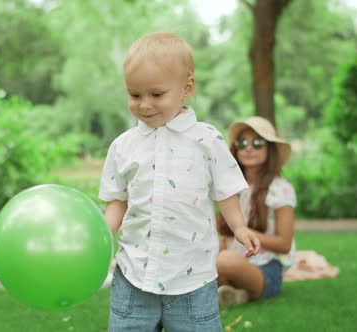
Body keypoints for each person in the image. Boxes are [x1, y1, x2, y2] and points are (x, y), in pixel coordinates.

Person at [99, 32, 260, 331]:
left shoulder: (206, 140)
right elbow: (117, 200)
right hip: (135, 273)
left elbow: (225, 191)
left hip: (192, 277)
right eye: (135, 95)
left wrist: (238, 226)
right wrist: (101, 235)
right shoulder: (123, 146)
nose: (144, 104)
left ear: (187, 87)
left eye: (156, 94)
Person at [215, 116, 297, 308]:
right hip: (228, 261)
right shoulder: (229, 189)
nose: (248, 148)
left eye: (258, 143)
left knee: (225, 261)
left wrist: (243, 232)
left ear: (270, 149)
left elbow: (284, 244)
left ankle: (232, 288)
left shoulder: (280, 188)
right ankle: (235, 294)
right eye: (242, 143)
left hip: (264, 269)